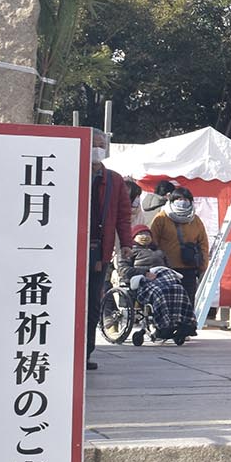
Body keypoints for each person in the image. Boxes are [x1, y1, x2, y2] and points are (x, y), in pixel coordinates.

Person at [85, 131, 132, 372]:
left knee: (93, 303)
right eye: (93, 145)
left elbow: (124, 216)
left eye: (101, 145)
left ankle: (86, 353)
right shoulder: (72, 172)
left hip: (99, 251)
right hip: (70, 250)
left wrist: (126, 243)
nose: (97, 149)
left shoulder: (114, 180)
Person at [150, 187, 210, 294]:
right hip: (167, 268)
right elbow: (153, 242)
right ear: (171, 200)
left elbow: (203, 243)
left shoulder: (195, 220)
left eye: (186, 199)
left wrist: (203, 266)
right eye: (178, 199)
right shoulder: (161, 218)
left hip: (190, 268)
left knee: (188, 301)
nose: (182, 202)